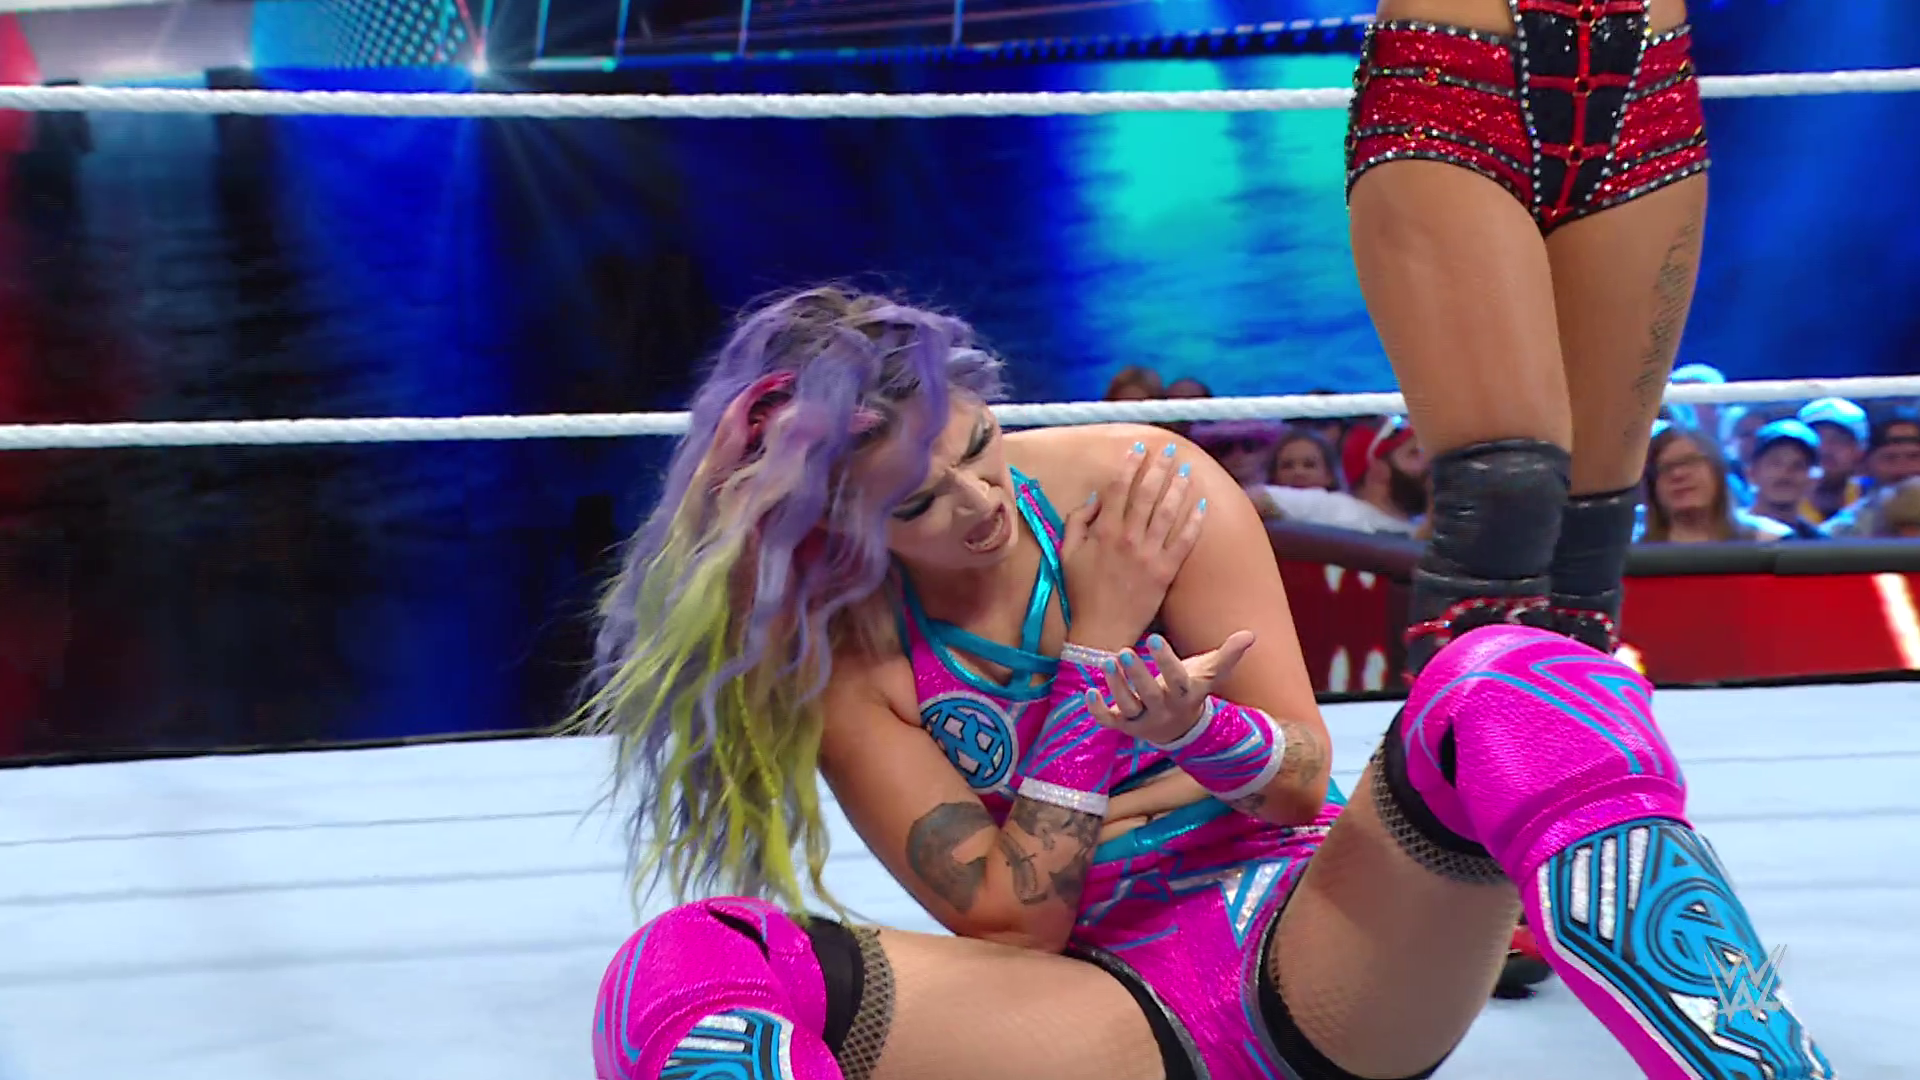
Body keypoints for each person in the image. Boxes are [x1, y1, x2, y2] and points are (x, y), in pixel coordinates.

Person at [581, 288, 1831, 1080]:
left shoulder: (1142, 484)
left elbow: (1295, 781)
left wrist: (1199, 739)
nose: (975, 504)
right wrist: (1097, 668)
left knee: (1515, 676)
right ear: (835, 523)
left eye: (979, 447)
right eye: (914, 503)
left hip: (1308, 955)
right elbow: (1016, 926)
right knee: (684, 963)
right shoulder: (847, 656)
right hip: (1090, 1012)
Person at [1346, 0, 1709, 670]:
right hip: (1452, 80)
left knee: (1589, 539)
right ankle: (1454, 738)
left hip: (1647, 87)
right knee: (1506, 492)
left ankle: (1565, 735)